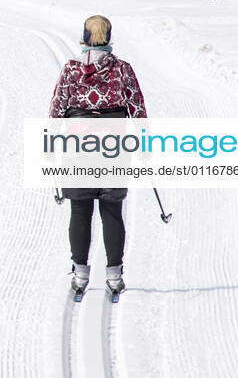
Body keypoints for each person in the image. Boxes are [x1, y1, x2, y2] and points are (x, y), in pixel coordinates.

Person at [48, 15, 147, 296]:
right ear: (110, 37)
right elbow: (137, 108)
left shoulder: (70, 70)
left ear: (84, 37)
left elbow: (57, 108)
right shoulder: (123, 69)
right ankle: (114, 276)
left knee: (80, 209)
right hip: (113, 144)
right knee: (112, 210)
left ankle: (80, 274)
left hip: (78, 144)